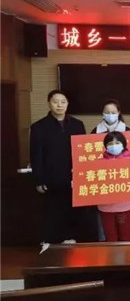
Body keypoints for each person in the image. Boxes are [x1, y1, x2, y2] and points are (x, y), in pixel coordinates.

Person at [30, 90, 87, 252]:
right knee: (52, 211)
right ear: (49, 104)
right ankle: (50, 244)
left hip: (73, 177)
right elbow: (35, 155)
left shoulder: (77, 125)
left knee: (73, 210)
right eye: (55, 102)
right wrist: (39, 179)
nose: (59, 105)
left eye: (63, 102)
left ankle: (72, 240)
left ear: (67, 104)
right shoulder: (39, 127)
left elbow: (83, 151)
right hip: (51, 178)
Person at [90, 99, 130, 242]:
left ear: (118, 113)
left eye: (113, 112)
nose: (110, 115)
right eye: (107, 112)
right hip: (105, 203)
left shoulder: (127, 130)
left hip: (125, 202)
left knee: (125, 235)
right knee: (108, 236)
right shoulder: (95, 131)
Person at [98, 132, 130, 242]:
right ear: (105, 146)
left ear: (123, 144)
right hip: (106, 207)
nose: (113, 146)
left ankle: (126, 254)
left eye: (117, 143)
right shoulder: (99, 163)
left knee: (126, 236)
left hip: (125, 206)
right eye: (110, 143)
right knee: (110, 237)